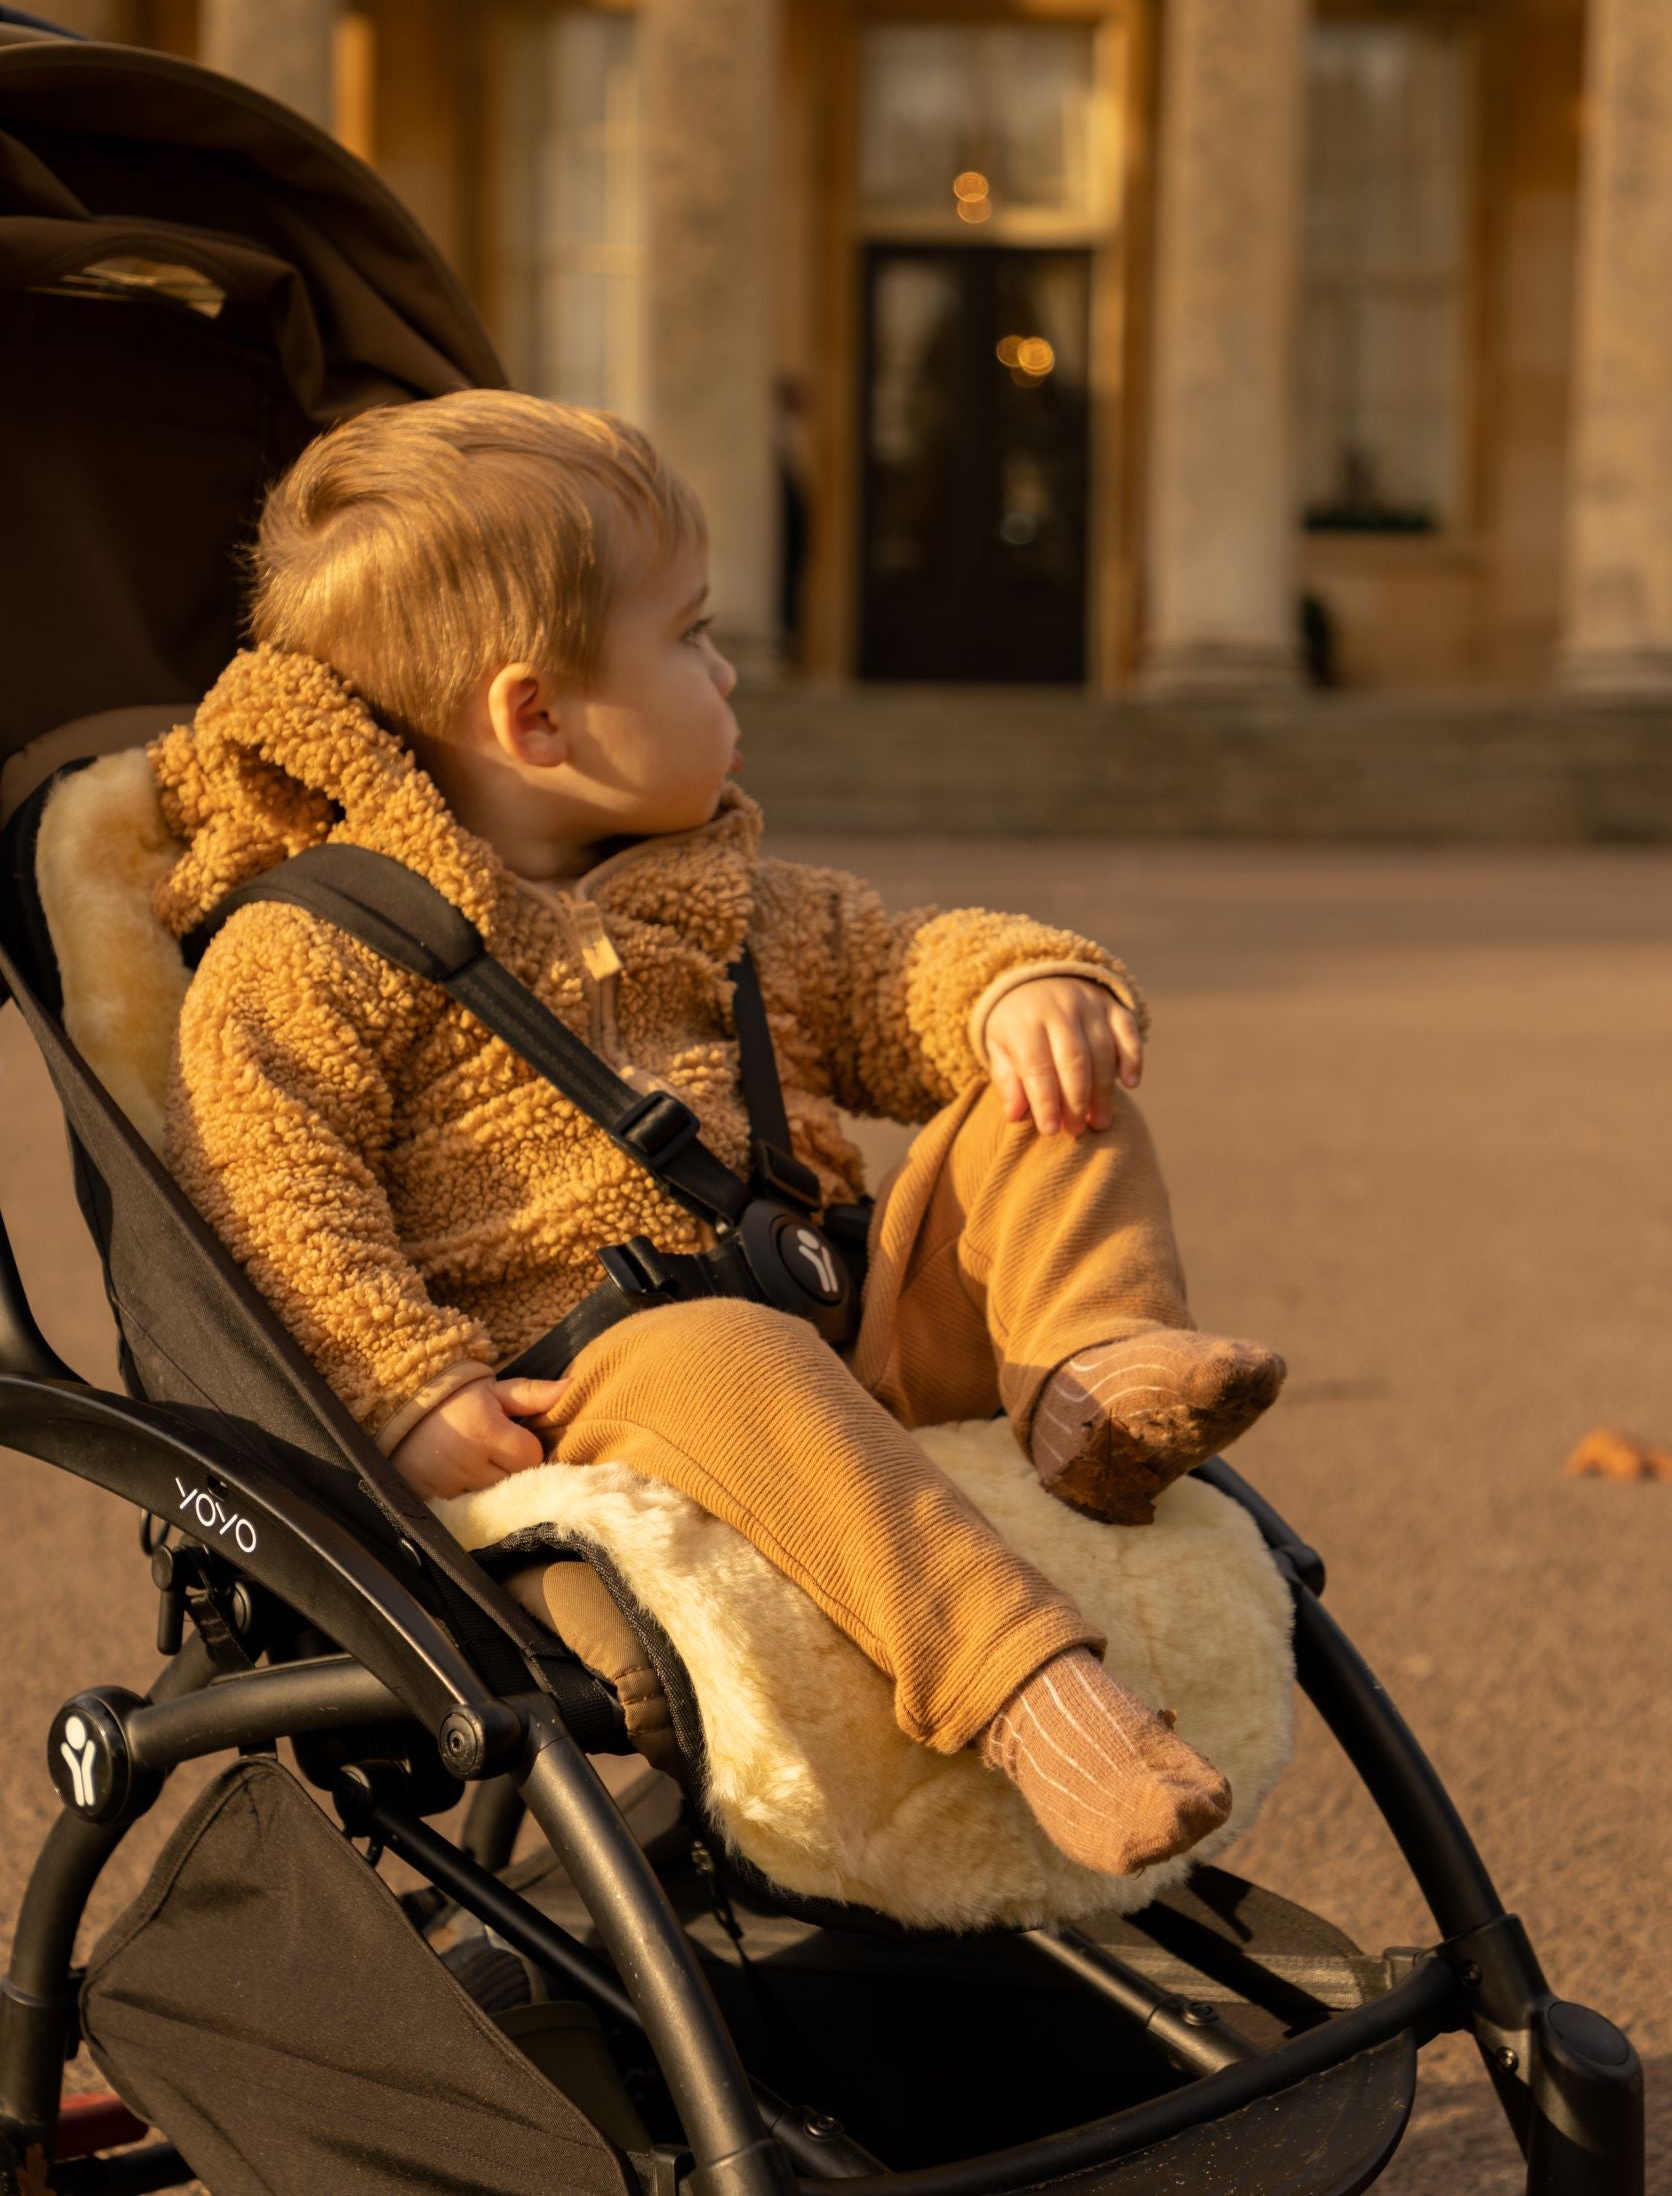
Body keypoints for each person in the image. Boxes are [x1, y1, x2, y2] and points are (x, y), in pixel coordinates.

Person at [148, 392, 1284, 1881]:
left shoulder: (728, 893)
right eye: (689, 636)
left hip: (839, 1316)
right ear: (535, 715)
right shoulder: (316, 950)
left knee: (1047, 1098)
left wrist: (1021, 987)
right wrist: (403, 1383)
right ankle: (1033, 1694)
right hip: (606, 1379)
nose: (729, 666)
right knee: (726, 1356)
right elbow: (267, 1189)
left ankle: (1092, 1376)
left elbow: (894, 971)